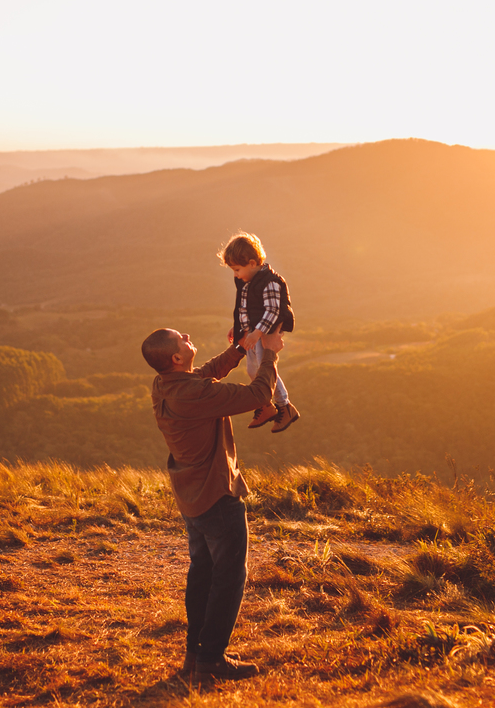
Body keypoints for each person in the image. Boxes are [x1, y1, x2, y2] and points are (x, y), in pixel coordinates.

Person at [140, 326, 284, 682]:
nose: (188, 336)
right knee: (229, 577)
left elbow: (205, 373)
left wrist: (238, 349)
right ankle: (212, 659)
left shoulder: (166, 384)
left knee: (203, 574)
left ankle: (196, 654)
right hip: (217, 495)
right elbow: (258, 393)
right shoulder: (191, 394)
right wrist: (269, 352)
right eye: (182, 339)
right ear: (175, 358)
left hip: (192, 496)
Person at [219, 232, 300, 433]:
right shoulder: (247, 281)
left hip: (265, 333)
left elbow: (273, 310)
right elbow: (246, 308)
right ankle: (266, 406)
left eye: (237, 270)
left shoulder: (269, 282)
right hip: (253, 332)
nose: (235, 275)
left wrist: (257, 333)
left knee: (266, 368)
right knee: (252, 371)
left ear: (253, 263)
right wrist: (239, 326)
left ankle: (284, 406)